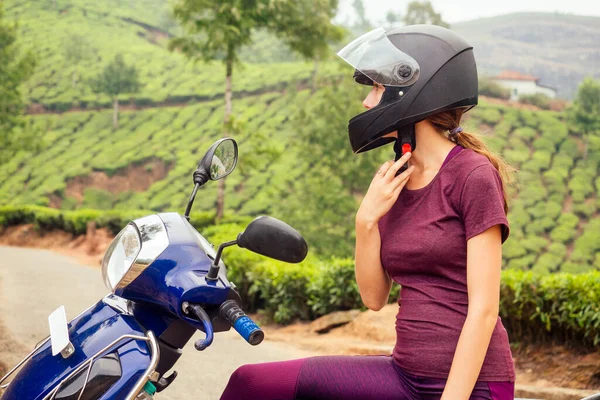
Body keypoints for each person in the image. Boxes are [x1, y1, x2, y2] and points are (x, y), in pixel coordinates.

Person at [219, 25, 516, 400]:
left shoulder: (472, 174)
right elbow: (374, 298)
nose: (366, 102)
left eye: (375, 88)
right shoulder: (396, 179)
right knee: (252, 384)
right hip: (405, 375)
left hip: (473, 385)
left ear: (412, 88)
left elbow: (485, 310)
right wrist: (366, 221)